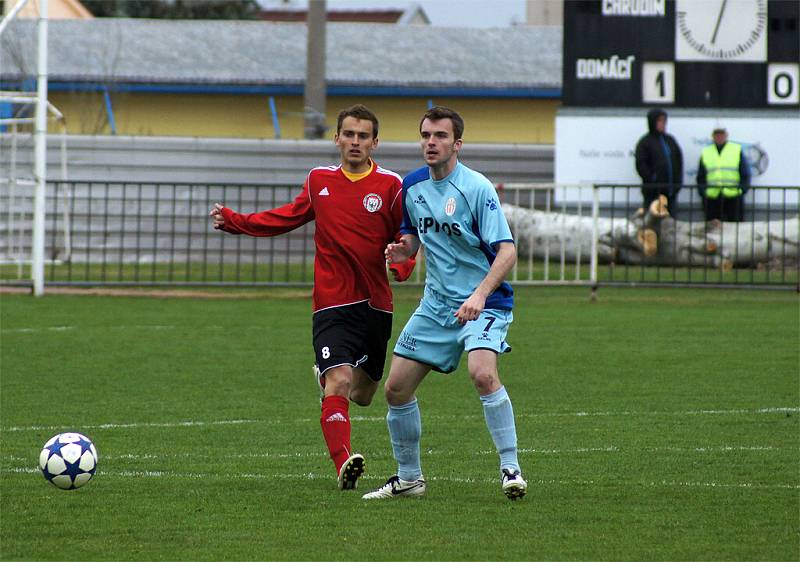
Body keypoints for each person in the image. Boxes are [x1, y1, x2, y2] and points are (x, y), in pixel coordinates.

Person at [209, 104, 415, 491]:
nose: (355, 141)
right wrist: (237, 223)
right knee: (338, 381)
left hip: (376, 306)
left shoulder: (391, 186)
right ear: (336, 138)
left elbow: (405, 238)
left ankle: (327, 378)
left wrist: (401, 266)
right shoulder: (319, 179)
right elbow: (287, 216)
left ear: (375, 142)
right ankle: (344, 463)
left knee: (365, 394)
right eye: (348, 134)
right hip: (332, 303)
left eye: (363, 135)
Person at [362, 106, 527, 501]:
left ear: (457, 144)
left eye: (439, 136)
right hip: (437, 306)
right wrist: (403, 252)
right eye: (425, 135)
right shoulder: (413, 187)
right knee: (396, 389)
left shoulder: (476, 188)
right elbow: (414, 240)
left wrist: (479, 295)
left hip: (484, 303)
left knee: (482, 374)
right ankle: (409, 479)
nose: (430, 143)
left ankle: (510, 468)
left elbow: (507, 252)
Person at [634, 108, 684, 217]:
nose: (663, 124)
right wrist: (653, 179)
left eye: (664, 121)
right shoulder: (645, 142)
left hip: (671, 193)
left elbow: (679, 161)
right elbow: (641, 164)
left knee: (671, 223)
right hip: (653, 193)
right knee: (653, 223)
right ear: (652, 122)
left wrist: (678, 183)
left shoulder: (670, 140)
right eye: (660, 121)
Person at [697, 127, 751, 222]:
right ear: (713, 137)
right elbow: (701, 175)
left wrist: (743, 189)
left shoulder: (736, 149)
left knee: (735, 227)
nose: (719, 137)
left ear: (726, 136)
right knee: (712, 229)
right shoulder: (706, 152)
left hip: (733, 195)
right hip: (712, 197)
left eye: (721, 135)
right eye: (717, 135)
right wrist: (702, 192)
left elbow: (744, 172)